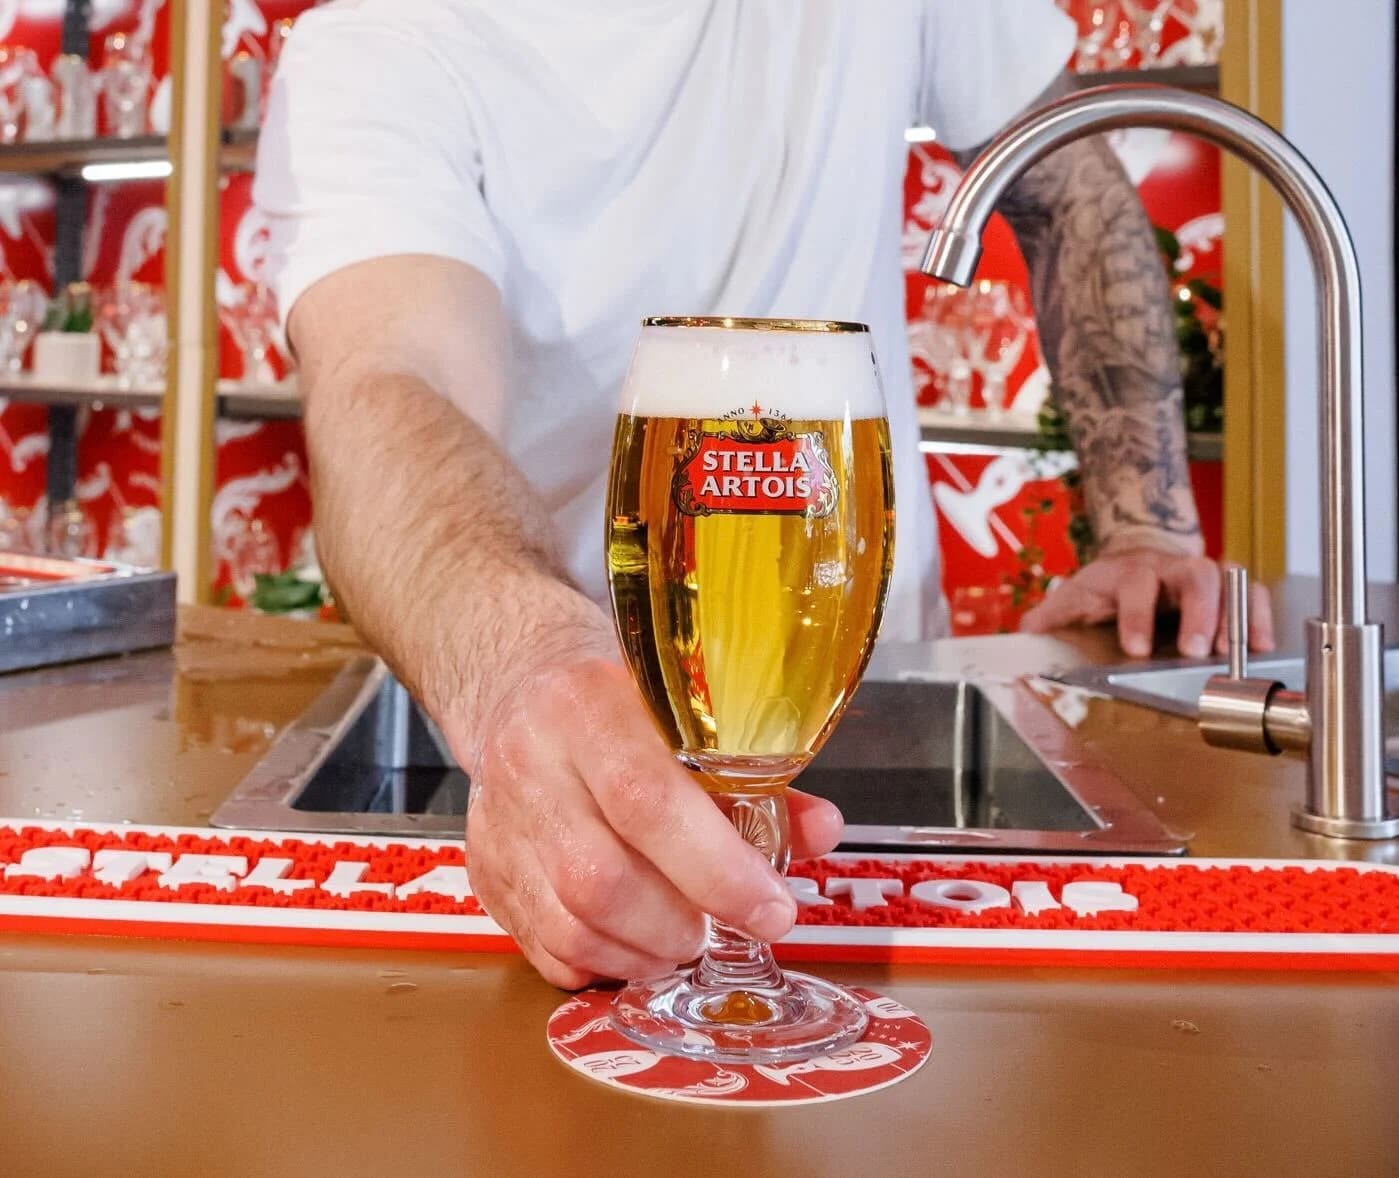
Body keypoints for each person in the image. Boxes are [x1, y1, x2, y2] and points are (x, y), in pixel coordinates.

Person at [255, 1, 1273, 987]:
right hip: (545, 744)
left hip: (862, 697)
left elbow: (1070, 188)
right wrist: (529, 662)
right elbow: (392, 384)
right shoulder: (380, 44)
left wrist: (1145, 525)